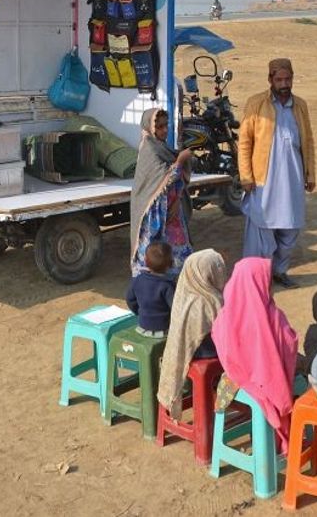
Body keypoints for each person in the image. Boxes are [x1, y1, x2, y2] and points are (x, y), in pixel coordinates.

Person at [238, 58, 316, 288]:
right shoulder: (256, 104)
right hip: (264, 178)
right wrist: (246, 176)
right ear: (270, 79)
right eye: (279, 79)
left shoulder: (300, 105)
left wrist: (310, 174)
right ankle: (258, 276)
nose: (284, 84)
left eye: (288, 79)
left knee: (291, 227)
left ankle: (279, 271)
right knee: (262, 228)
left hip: (293, 177)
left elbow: (308, 141)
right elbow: (244, 142)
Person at [210, 257, 300, 448]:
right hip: (267, 383)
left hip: (236, 376)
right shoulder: (273, 317)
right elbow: (289, 344)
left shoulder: (224, 316)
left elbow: (220, 344)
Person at [156, 249, 226, 417]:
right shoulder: (209, 300)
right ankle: (217, 390)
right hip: (204, 352)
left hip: (184, 349)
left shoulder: (182, 292)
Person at [131, 107, 193, 276]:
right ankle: (150, 288)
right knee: (154, 254)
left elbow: (176, 181)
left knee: (178, 252)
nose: (165, 130)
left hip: (172, 210)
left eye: (166, 125)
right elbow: (164, 178)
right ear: (150, 127)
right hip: (155, 215)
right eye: (159, 127)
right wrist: (180, 160)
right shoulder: (149, 149)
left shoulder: (162, 147)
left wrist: (177, 201)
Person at [125, 242, 177, 337]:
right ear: (171, 264)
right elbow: (175, 308)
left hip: (142, 327)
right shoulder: (168, 286)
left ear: (145, 260)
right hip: (164, 329)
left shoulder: (138, 280)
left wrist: (140, 312)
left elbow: (129, 299)